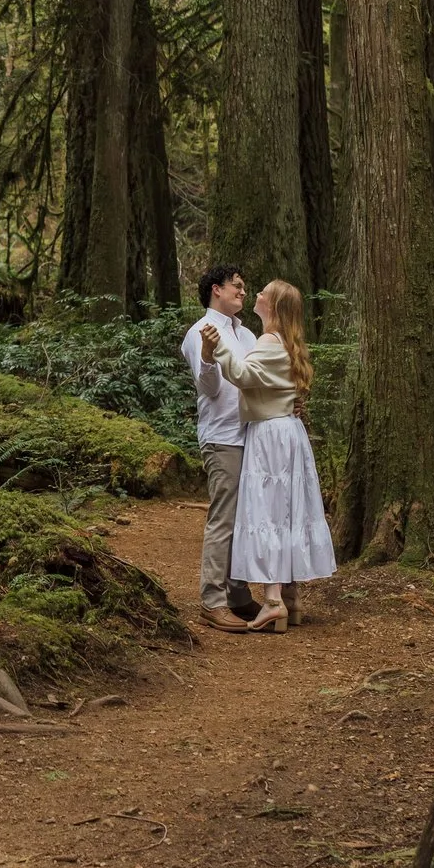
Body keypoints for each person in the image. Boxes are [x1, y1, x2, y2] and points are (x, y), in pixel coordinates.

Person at [199, 279, 333, 633]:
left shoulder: (267, 341)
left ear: (272, 306)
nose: (254, 294)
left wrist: (217, 350)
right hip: (286, 432)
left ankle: (274, 602)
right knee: (287, 511)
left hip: (270, 435)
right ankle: (291, 599)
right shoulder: (286, 342)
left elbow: (244, 376)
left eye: (263, 292)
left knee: (268, 513)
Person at [182, 266, 258, 634]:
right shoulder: (200, 332)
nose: (243, 292)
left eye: (244, 287)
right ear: (217, 290)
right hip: (223, 436)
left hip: (253, 434)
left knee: (247, 519)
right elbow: (208, 388)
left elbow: (261, 381)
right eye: (237, 287)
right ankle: (212, 601)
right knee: (225, 518)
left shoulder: (247, 334)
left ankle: (238, 594)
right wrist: (210, 355)